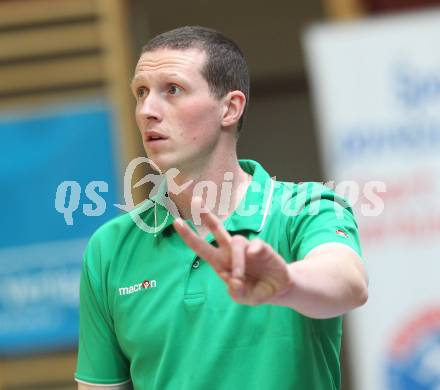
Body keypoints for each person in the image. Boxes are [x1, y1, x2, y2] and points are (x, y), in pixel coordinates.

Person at [75, 26, 368, 390]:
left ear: (230, 108)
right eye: (141, 92)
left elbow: (348, 282)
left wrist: (286, 285)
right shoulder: (110, 247)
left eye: (173, 89)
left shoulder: (307, 209)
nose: (147, 110)